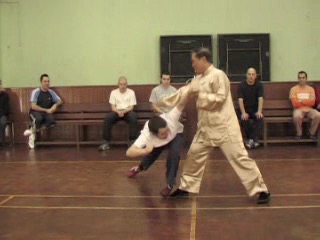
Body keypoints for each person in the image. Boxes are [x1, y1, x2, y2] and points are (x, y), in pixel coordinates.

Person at [160, 48, 270, 204]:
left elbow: (220, 98)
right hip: (205, 128)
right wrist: (164, 103)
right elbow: (184, 92)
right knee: (194, 155)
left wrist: (201, 95)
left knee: (239, 158)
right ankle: (186, 187)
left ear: (203, 59)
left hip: (224, 127)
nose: (192, 65)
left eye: (194, 61)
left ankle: (261, 190)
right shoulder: (197, 79)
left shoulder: (219, 75)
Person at [126, 86, 188, 197]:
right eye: (163, 134)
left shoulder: (171, 117)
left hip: (176, 135)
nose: (166, 134)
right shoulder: (147, 135)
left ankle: (169, 185)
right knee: (152, 153)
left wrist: (190, 89)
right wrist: (144, 151)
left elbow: (182, 102)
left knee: (174, 154)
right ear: (154, 134)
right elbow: (129, 152)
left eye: (166, 130)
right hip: (156, 143)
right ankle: (139, 168)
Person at [23, 74, 63, 149]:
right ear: (41, 82)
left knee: (51, 121)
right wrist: (46, 110)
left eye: (48, 81)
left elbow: (60, 101)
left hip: (46, 113)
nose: (47, 83)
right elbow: (33, 106)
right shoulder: (36, 92)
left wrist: (55, 105)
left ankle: (32, 132)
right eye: (45, 81)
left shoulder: (51, 92)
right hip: (35, 112)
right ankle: (32, 135)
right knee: (39, 119)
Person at [98, 76, 138, 151]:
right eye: (121, 84)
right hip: (116, 111)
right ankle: (106, 142)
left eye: (124, 84)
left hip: (127, 111)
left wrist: (123, 111)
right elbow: (113, 107)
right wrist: (118, 112)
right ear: (118, 84)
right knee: (108, 118)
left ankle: (132, 141)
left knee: (133, 117)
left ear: (127, 84)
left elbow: (131, 107)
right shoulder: (114, 92)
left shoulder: (131, 92)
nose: (122, 86)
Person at [238, 68, 264, 149]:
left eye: (253, 74)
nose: (251, 76)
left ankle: (250, 140)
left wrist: (259, 111)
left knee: (259, 118)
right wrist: (243, 112)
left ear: (255, 76)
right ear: (246, 75)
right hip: (245, 110)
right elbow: (240, 100)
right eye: (249, 74)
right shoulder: (242, 85)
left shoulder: (259, 85)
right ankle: (254, 140)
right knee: (244, 119)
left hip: (255, 110)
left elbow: (260, 98)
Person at [289, 71, 320, 139]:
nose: (301, 79)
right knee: (296, 116)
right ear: (298, 79)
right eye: (300, 78)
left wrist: (301, 101)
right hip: (298, 109)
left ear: (306, 79)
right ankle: (299, 134)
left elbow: (312, 102)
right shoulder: (293, 89)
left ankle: (311, 133)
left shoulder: (311, 89)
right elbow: (295, 103)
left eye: (303, 77)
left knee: (318, 115)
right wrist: (306, 101)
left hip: (310, 109)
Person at [0, 80, 9, 149]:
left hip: (2, 114)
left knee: (3, 122)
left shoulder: (5, 95)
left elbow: (6, 109)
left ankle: (1, 142)